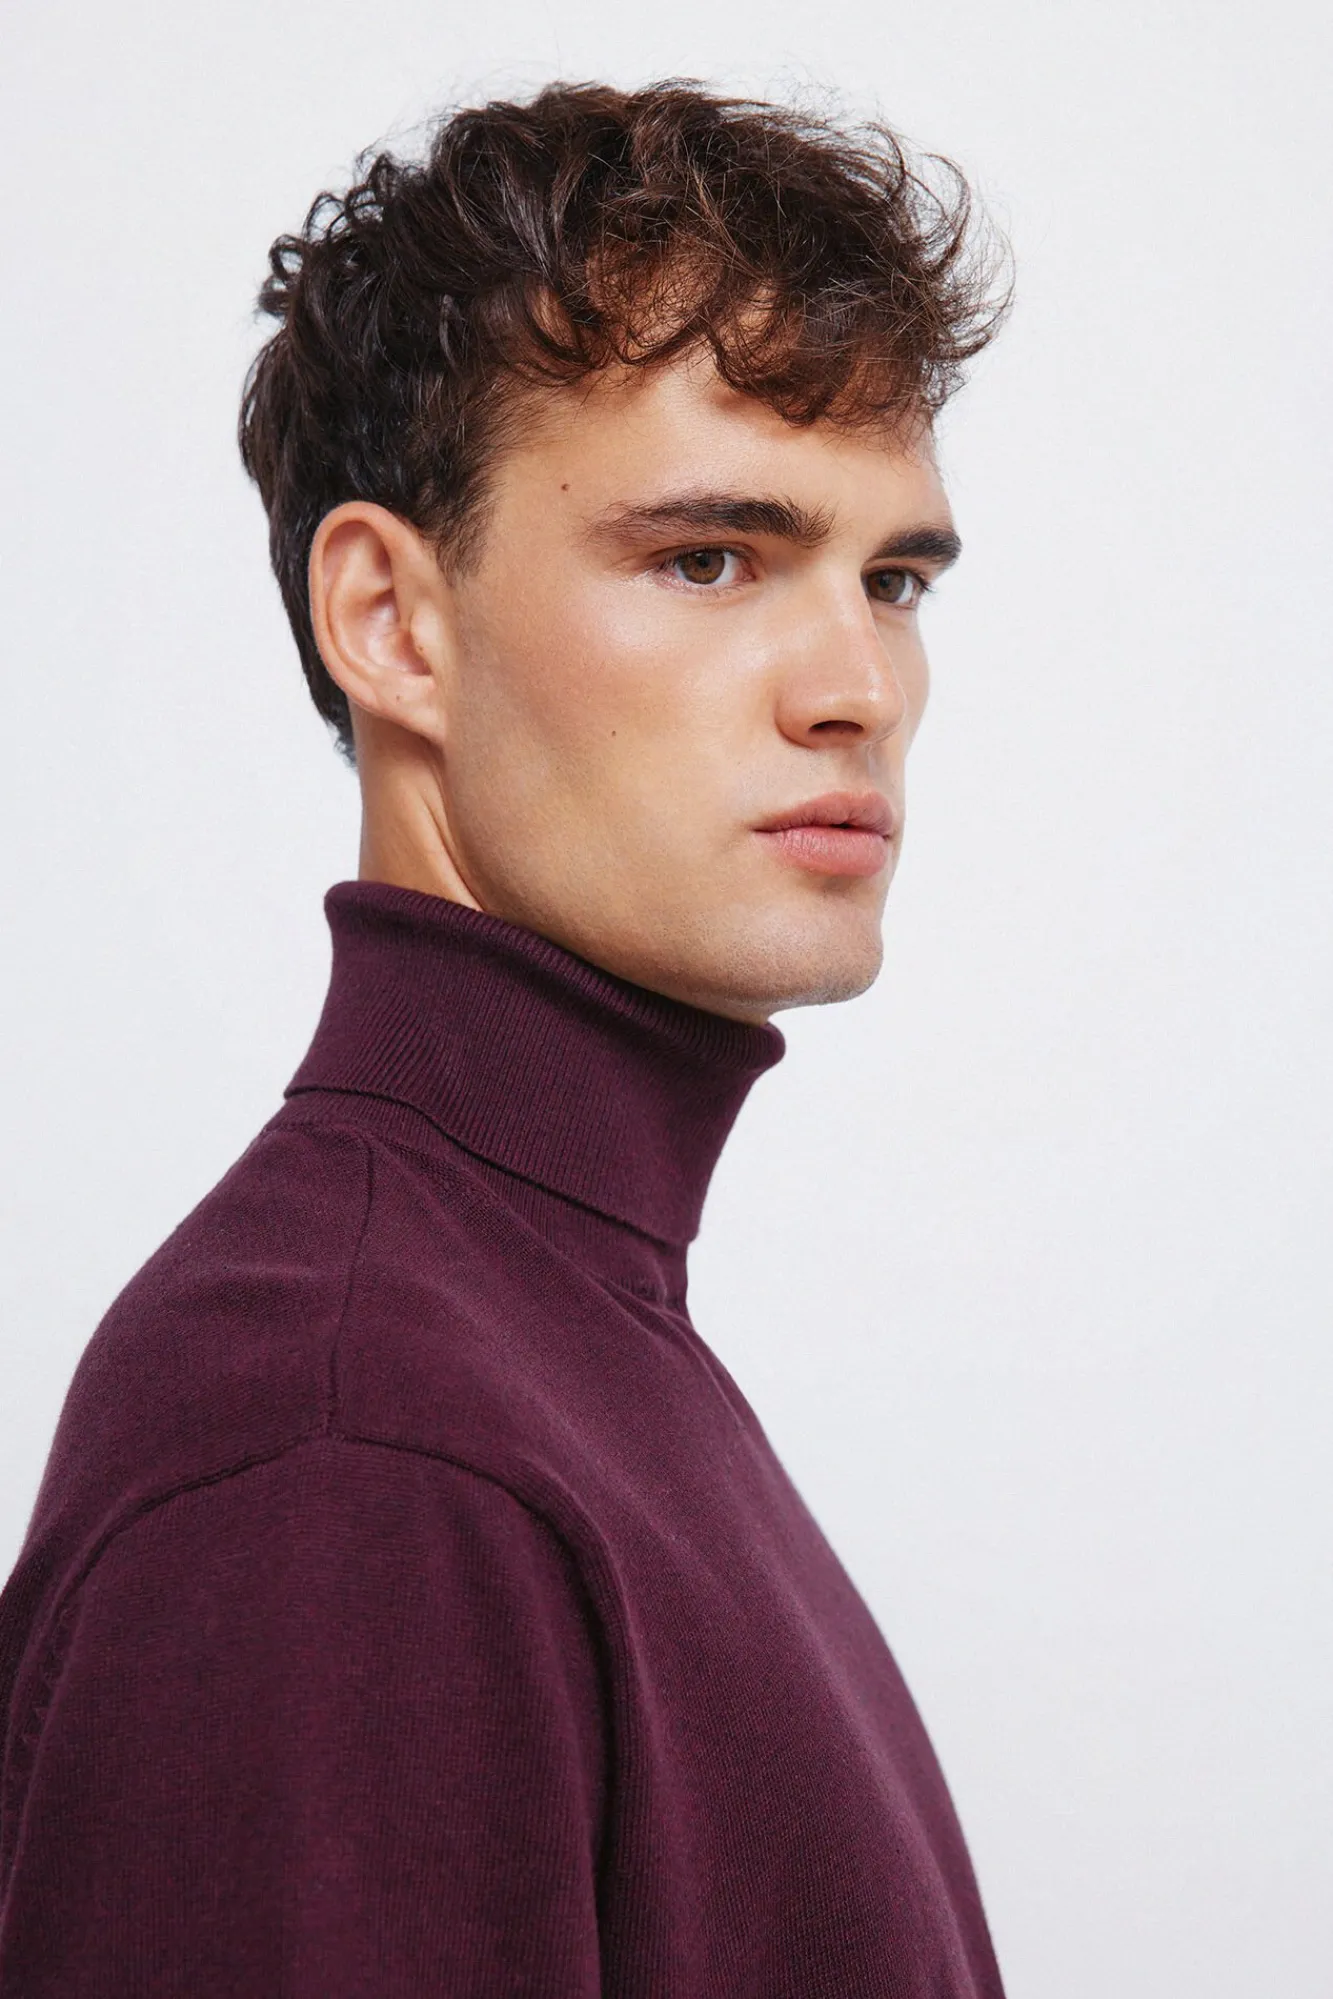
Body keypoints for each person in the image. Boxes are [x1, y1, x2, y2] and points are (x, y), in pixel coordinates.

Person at [0, 79, 1010, 1995]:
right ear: (391, 620)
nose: (859, 687)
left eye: (892, 580)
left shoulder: (543, 1350)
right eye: (709, 558)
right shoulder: (353, 1451)